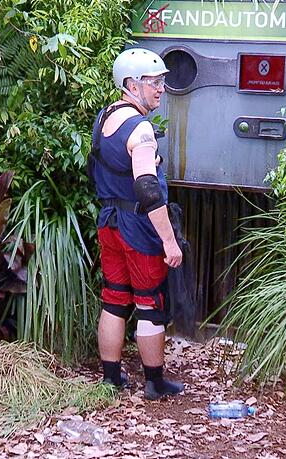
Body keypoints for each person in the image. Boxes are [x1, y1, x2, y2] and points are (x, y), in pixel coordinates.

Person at [89, 48, 184, 400]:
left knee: (115, 298)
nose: (161, 89)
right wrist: (170, 241)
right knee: (149, 301)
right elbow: (147, 189)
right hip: (137, 226)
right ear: (132, 85)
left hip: (109, 221)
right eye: (154, 82)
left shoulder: (106, 116)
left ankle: (111, 378)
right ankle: (155, 383)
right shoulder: (141, 128)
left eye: (161, 81)